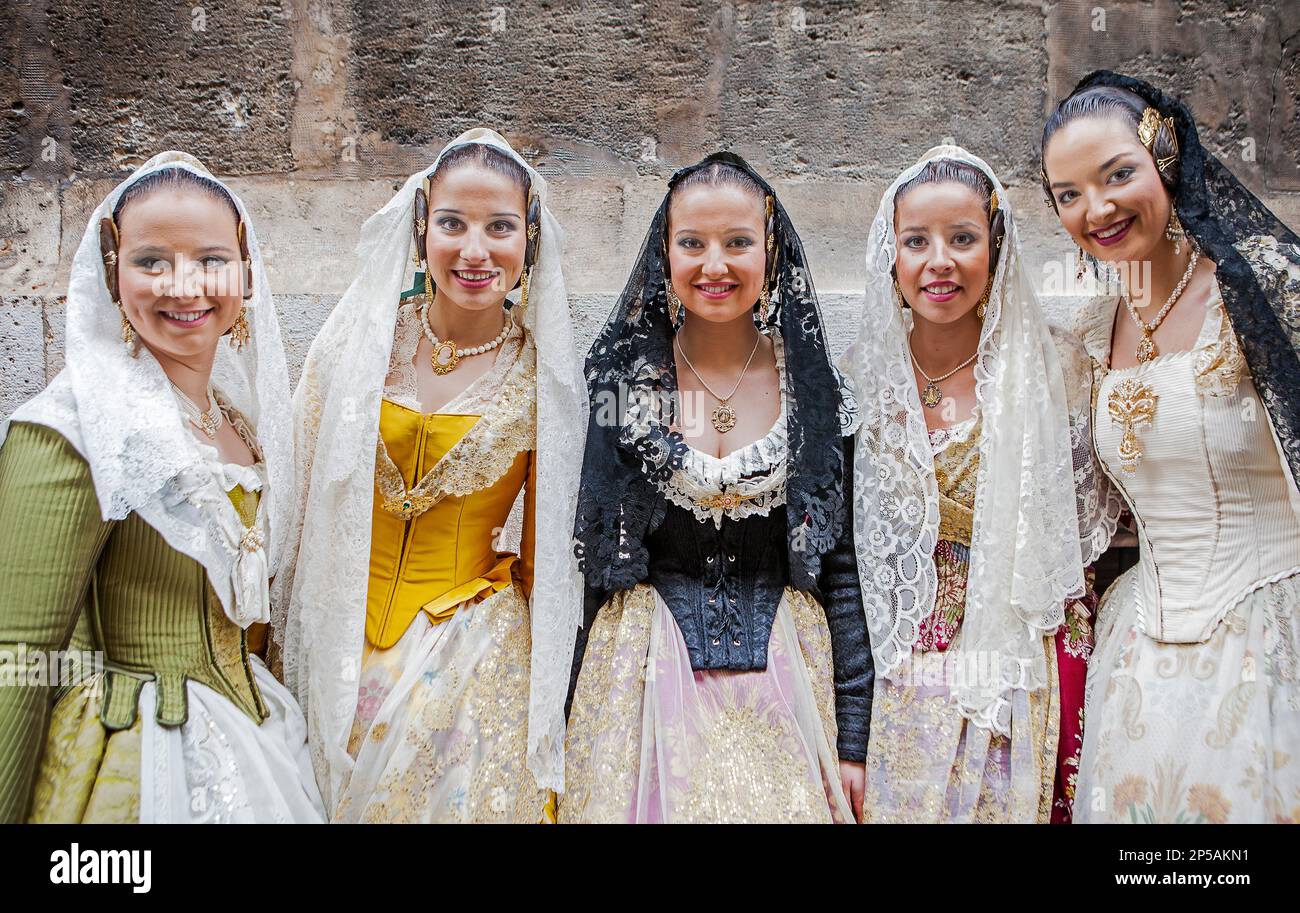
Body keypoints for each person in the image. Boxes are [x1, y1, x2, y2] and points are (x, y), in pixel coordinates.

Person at [0, 151, 324, 823]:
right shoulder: (73, 426)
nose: (184, 286)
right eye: (152, 261)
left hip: (262, 745)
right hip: (141, 760)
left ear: (246, 273)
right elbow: (16, 655)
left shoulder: (243, 423)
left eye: (210, 260)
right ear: (113, 273)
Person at [273, 129, 585, 822]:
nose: (475, 250)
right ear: (421, 231)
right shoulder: (362, 343)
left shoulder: (543, 380)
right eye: (453, 223)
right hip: (339, 634)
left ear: (528, 240)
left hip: (468, 662)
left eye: (499, 226)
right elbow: (297, 494)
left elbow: (546, 564)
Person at [564, 153, 871, 823]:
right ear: (664, 253)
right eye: (692, 243)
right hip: (642, 678)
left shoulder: (813, 390)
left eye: (738, 242)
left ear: (771, 249)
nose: (715, 264)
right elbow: (592, 570)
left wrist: (854, 738)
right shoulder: (626, 391)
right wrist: (568, 721)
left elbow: (842, 568)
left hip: (790, 677)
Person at [1042, 70, 1300, 823]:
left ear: (1167, 153)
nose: (1099, 209)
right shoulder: (1088, 334)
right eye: (1068, 194)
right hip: (1140, 662)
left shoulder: (1264, 289)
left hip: (1272, 633)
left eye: (1118, 174)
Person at [844, 145, 1119, 823]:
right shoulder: (860, 378)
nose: (940, 260)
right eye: (917, 241)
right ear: (892, 255)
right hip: (896, 665)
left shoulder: (1057, 367)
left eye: (962, 238)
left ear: (994, 250)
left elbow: (1088, 534)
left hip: (1025, 657)